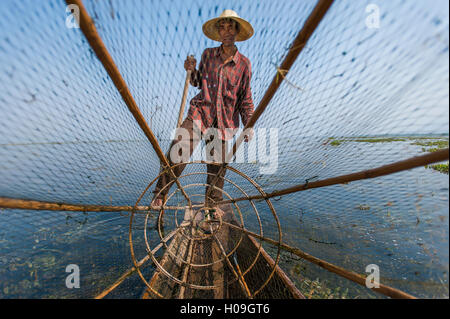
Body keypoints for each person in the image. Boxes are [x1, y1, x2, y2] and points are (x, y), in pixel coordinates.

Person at [151, 9, 255, 211]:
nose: (226, 31)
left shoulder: (244, 64)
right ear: (218, 32)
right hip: (200, 112)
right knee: (178, 148)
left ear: (236, 32)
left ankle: (211, 207)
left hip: (225, 122)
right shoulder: (208, 55)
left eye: (230, 27)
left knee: (217, 169)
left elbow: (245, 97)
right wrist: (191, 71)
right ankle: (160, 194)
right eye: (222, 27)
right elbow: (200, 82)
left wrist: (249, 124)